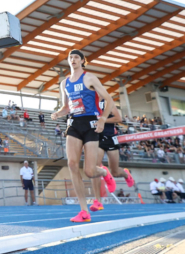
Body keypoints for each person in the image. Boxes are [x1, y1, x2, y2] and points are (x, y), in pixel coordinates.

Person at [51, 50, 116, 222]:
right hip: (73, 124)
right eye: (70, 57)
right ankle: (83, 211)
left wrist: (102, 119)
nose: (73, 60)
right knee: (72, 164)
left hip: (90, 124)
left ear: (82, 61)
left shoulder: (90, 78)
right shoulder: (64, 83)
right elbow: (66, 107)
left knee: (89, 170)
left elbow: (109, 100)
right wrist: (58, 113)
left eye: (76, 57)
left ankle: (104, 172)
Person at [91, 102, 135, 207]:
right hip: (97, 138)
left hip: (110, 137)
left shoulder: (106, 102)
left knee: (114, 172)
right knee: (94, 168)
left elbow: (118, 118)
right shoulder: (88, 102)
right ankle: (98, 201)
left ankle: (125, 174)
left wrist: (102, 119)